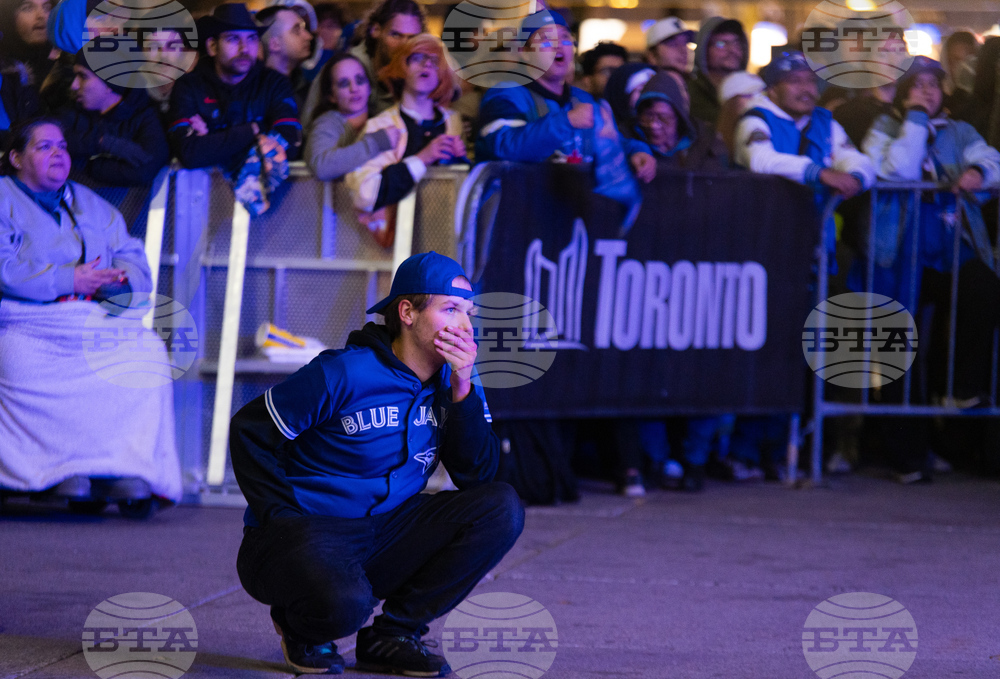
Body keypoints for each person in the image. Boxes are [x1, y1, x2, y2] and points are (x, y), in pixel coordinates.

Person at [231, 250, 524, 677]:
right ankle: (301, 628)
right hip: (306, 533)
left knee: (500, 507)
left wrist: (463, 388)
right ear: (407, 312)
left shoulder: (456, 376)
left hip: (386, 527)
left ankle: (395, 633)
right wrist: (281, 519)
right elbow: (250, 431)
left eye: (469, 313)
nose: (465, 326)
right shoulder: (345, 372)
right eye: (451, 310)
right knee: (346, 606)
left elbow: (476, 476)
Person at [0, 118, 181, 506]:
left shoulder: (88, 202)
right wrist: (70, 280)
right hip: (28, 323)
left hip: (93, 317)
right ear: (16, 157)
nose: (58, 154)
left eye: (62, 146)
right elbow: (5, 269)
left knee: (147, 352)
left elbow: (131, 253)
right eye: (44, 146)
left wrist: (121, 281)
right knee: (18, 358)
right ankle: (48, 472)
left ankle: (124, 469)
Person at [861, 56, 1000, 409]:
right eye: (918, 85)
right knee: (900, 343)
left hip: (952, 248)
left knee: (983, 287)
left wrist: (979, 174)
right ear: (904, 92)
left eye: (933, 85)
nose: (928, 92)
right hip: (897, 251)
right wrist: (917, 120)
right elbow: (899, 170)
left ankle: (962, 390)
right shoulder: (883, 127)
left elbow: (991, 158)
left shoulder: (960, 131)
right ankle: (905, 450)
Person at [476, 11, 655, 222]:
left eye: (565, 38)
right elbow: (504, 146)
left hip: (569, 221)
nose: (558, 45)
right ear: (524, 52)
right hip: (514, 220)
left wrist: (638, 152)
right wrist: (566, 122)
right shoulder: (506, 94)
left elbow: (613, 143)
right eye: (545, 39)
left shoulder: (583, 100)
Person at [167, 3, 302, 216]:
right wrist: (256, 130)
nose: (244, 49)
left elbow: (290, 140)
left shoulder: (274, 83)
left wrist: (212, 138)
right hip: (201, 211)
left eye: (251, 39)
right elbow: (189, 153)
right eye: (233, 39)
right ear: (212, 46)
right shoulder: (189, 86)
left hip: (273, 217)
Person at [346, 34, 464, 247]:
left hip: (446, 242)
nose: (426, 65)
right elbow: (365, 194)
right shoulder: (380, 125)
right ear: (401, 67)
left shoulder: (453, 123)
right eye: (417, 58)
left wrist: (461, 161)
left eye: (434, 60)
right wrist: (422, 158)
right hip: (393, 248)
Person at [301, 0, 425, 129]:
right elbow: (311, 131)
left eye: (412, 38)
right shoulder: (343, 69)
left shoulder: (421, 77)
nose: (404, 46)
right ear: (376, 30)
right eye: (395, 35)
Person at [56, 55, 169, 186]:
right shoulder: (73, 109)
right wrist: (101, 142)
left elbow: (143, 171)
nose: (74, 85)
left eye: (83, 76)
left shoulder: (146, 115)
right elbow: (49, 140)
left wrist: (85, 163)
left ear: (110, 82)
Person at [305, 53, 400, 181]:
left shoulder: (383, 118)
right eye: (344, 84)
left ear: (369, 88)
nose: (354, 88)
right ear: (331, 95)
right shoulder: (327, 123)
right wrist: (376, 142)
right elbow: (321, 166)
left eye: (360, 80)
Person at [634, 70, 725, 169]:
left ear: (679, 118)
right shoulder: (628, 138)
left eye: (663, 118)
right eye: (647, 116)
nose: (653, 125)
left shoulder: (705, 142)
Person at [689, 17, 749, 127]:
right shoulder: (690, 95)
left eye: (736, 43)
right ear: (704, 49)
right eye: (721, 44)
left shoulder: (751, 91)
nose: (732, 50)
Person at [0, 0, 55, 88]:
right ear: (8, 16)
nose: (41, 15)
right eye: (28, 8)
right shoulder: (5, 77)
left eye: (47, 7)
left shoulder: (69, 67)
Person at [603, 62, 655, 140]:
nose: (649, 96)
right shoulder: (607, 130)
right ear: (623, 95)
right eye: (642, 90)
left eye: (653, 91)